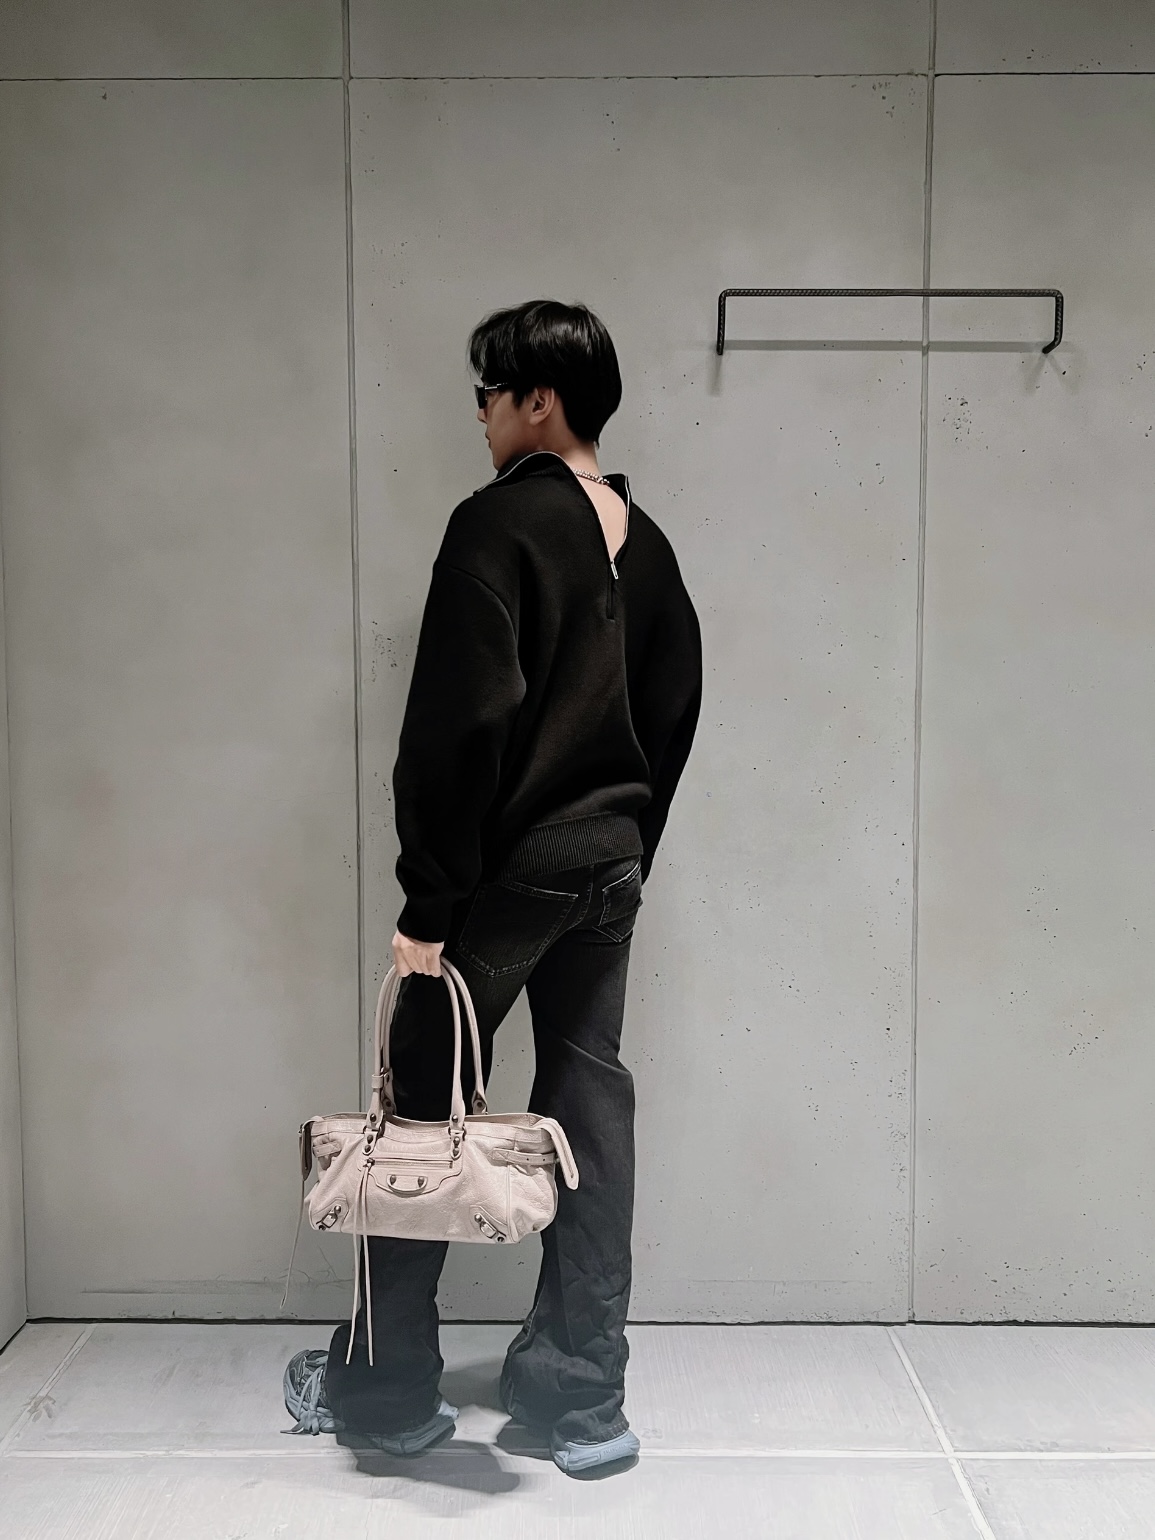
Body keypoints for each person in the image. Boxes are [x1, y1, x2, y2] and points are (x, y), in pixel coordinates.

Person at [284, 299, 702, 1475]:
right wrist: (624, 846)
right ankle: (583, 1400)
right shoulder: (650, 546)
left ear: (541, 399)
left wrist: (429, 904)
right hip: (606, 867)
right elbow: (675, 712)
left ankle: (382, 1393)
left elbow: (459, 723)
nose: (478, 412)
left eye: (490, 392)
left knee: (419, 1105)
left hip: (506, 877)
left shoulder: (496, 523)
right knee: (588, 1109)